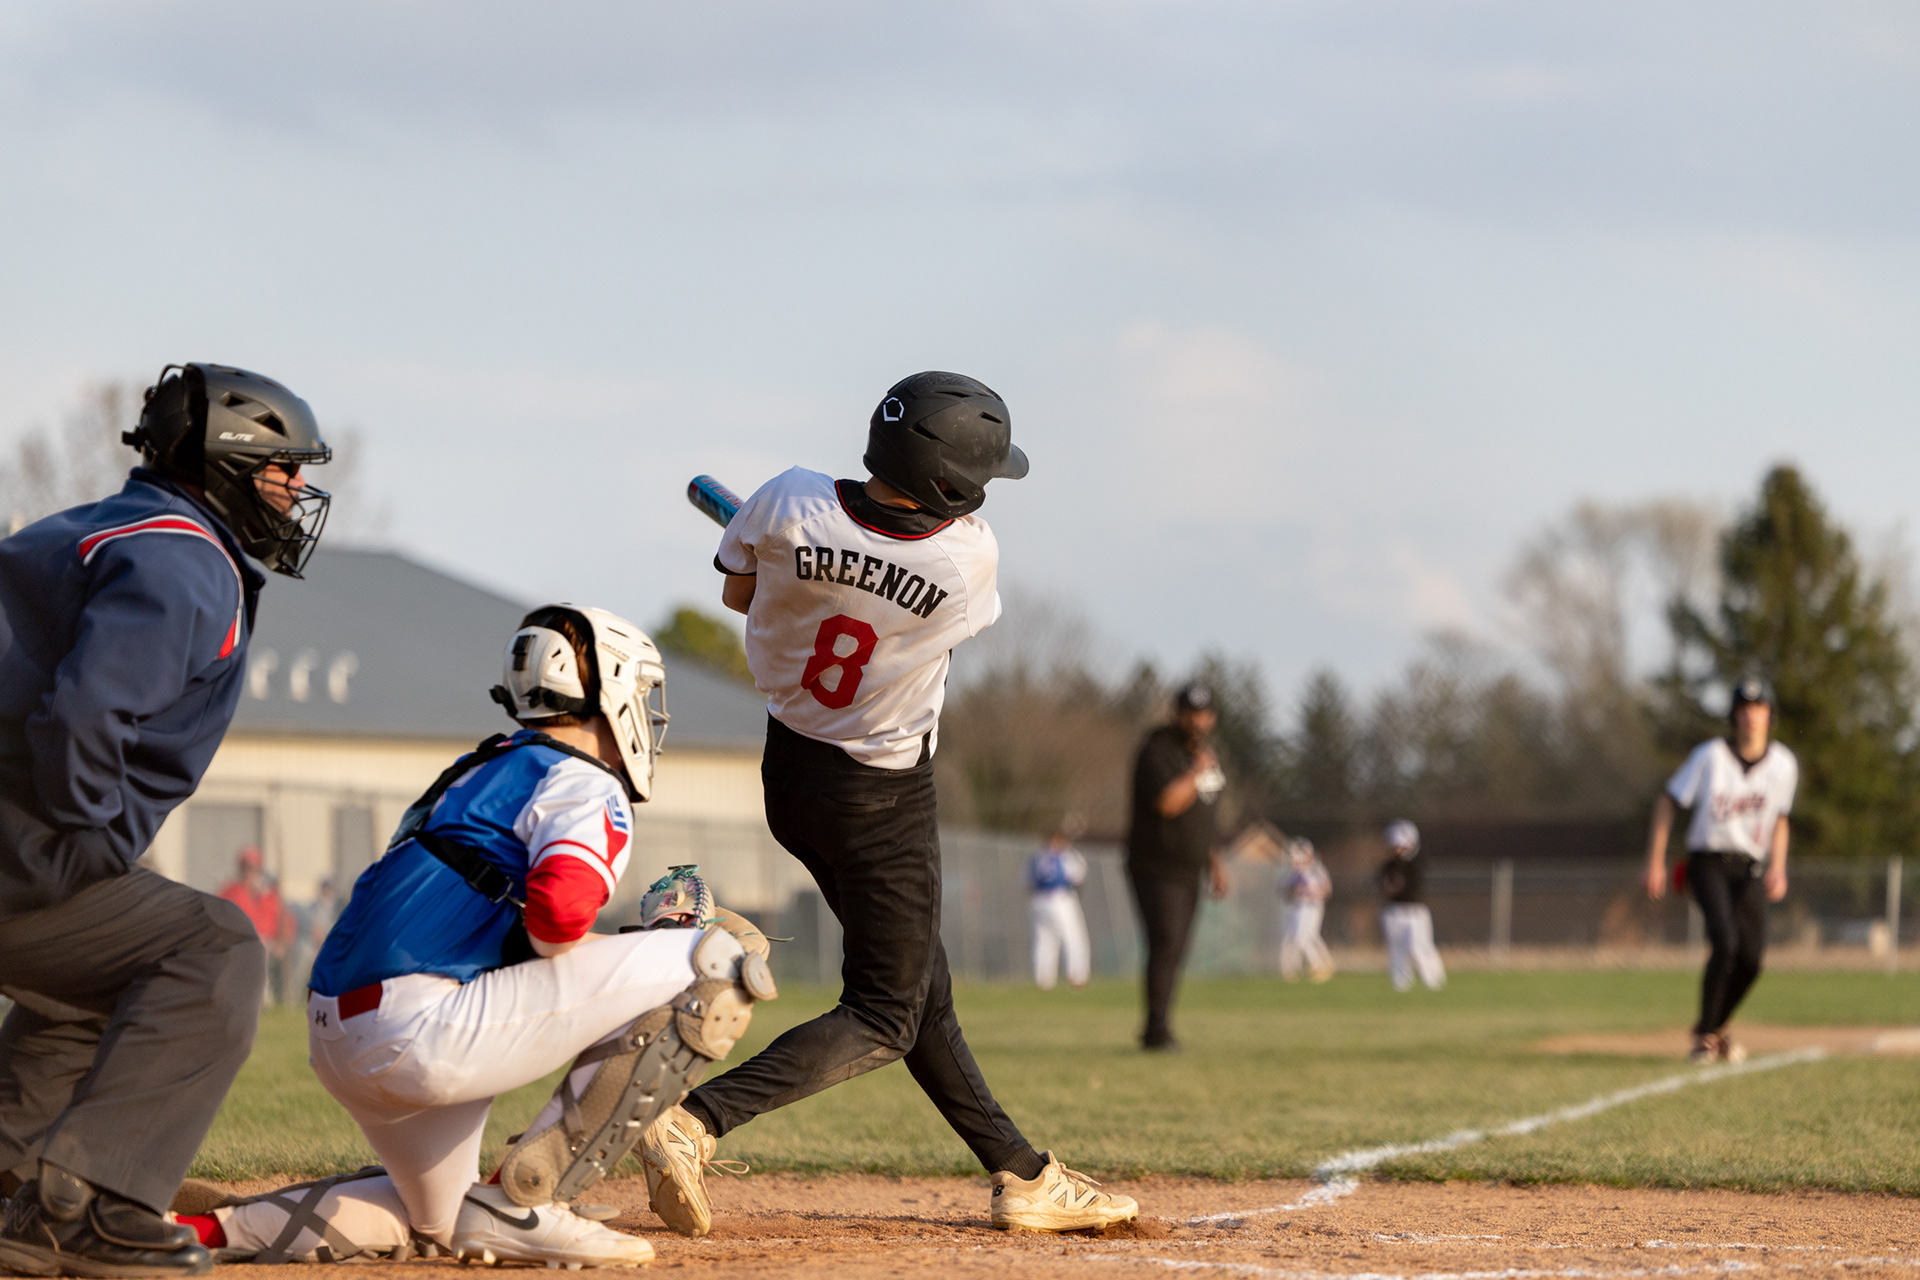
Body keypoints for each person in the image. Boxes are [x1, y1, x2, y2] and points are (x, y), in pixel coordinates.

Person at [642, 371, 1137, 1237]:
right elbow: (893, 578)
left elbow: (740, 595)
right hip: (882, 798)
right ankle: (695, 1121)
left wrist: (795, 556)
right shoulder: (965, 558)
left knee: (916, 985)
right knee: (885, 1012)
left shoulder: (788, 500)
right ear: (951, 482)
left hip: (792, 776)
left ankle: (1023, 1173)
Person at [170, 605, 776, 1268]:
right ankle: (532, 1196)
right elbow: (556, 924)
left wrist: (623, 954)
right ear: (609, 690)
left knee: (439, 1221)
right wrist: (658, 948)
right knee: (721, 959)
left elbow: (512, 922)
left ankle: (196, 1231)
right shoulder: (582, 778)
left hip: (343, 1028)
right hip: (417, 1025)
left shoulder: (481, 767)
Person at [0, 363, 331, 1277]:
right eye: (283, 468)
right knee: (212, 948)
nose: (295, 489)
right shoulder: (187, 558)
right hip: (16, 838)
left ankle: (13, 1180)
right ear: (227, 464)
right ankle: (89, 1206)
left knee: (108, 970)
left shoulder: (91, 526)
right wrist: (89, 840)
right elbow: (83, 718)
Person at [1642, 677, 1795, 1063]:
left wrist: (1779, 866)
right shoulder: (1710, 756)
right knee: (1725, 942)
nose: (1751, 717)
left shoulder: (1783, 764)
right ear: (1734, 717)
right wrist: (1655, 860)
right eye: (1743, 709)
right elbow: (1668, 801)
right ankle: (1706, 1038)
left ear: (1769, 716)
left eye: (1758, 709)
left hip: (1749, 867)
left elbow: (1780, 819)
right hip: (1707, 861)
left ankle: (1714, 1025)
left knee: (1752, 959)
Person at [1125, 683, 1230, 1051]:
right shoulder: (1157, 750)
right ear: (1178, 714)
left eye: (1205, 714)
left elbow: (1206, 816)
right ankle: (1156, 1029)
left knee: (1177, 947)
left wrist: (1216, 863)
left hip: (1190, 868)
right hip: (1156, 866)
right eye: (1191, 714)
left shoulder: (1204, 754)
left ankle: (1160, 1024)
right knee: (1166, 941)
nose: (1199, 721)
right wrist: (1196, 772)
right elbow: (1168, 803)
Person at [217, 846, 294, 1004]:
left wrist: (282, 941)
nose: (249, 874)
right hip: (238, 942)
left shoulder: (270, 895)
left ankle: (275, 996)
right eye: (246, 868)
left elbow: (286, 922)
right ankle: (259, 995)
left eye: (253, 869)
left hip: (269, 942)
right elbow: (219, 918)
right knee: (257, 949)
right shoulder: (231, 891)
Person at [1378, 820, 1445, 992]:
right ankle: (1401, 984)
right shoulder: (1388, 866)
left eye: (1402, 847)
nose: (1398, 850)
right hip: (1393, 912)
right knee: (1397, 950)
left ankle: (1433, 982)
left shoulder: (1415, 865)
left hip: (1414, 912)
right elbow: (1386, 887)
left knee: (1419, 948)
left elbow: (1411, 887)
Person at [1029, 821, 1091, 991]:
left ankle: (1043, 979)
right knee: (1073, 937)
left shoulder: (1037, 857)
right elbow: (1078, 876)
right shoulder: (1065, 856)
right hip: (1060, 898)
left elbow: (1027, 881)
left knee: (1044, 940)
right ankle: (1077, 975)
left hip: (1039, 899)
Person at [1279, 837, 1334, 982]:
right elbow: (1287, 890)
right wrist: (1296, 892)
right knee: (1306, 937)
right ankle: (1324, 963)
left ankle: (1319, 965)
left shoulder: (1316, 869)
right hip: (1300, 906)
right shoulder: (1297, 871)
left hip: (1313, 906)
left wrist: (1312, 893)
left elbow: (1327, 889)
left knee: (1304, 937)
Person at [285, 877, 341, 999]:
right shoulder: (313, 907)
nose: (327, 892)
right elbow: (312, 931)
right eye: (325, 889)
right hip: (312, 946)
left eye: (330, 889)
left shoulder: (338, 909)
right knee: (303, 952)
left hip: (330, 948)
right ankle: (293, 997)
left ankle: (329, 997)